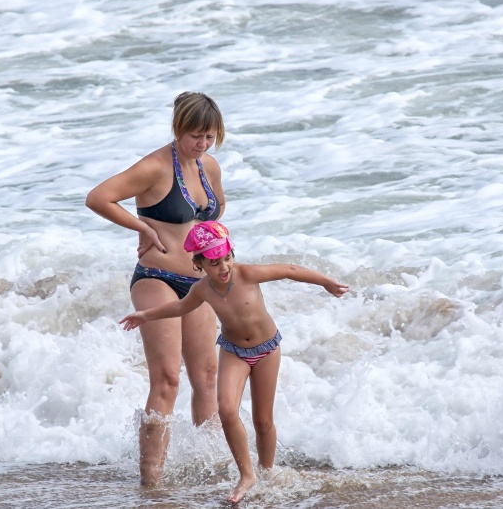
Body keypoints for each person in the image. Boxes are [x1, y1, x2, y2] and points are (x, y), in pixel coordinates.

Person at [120, 221, 349, 503]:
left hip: (267, 349)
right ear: (199, 263)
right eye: (214, 263)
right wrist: (145, 315)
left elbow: (289, 270)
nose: (224, 267)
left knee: (263, 420)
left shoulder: (247, 274)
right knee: (227, 409)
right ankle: (247, 475)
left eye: (227, 258)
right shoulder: (202, 289)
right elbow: (180, 307)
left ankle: (267, 473)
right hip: (233, 351)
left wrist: (326, 282)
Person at [85, 92, 226, 486]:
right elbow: (98, 198)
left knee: (206, 376)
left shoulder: (209, 167)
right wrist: (143, 227)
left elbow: (213, 217)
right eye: (196, 136)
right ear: (178, 129)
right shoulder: (154, 166)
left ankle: (210, 470)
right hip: (156, 278)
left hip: (200, 283)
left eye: (210, 137)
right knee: (167, 379)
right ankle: (151, 482)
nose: (202, 144)